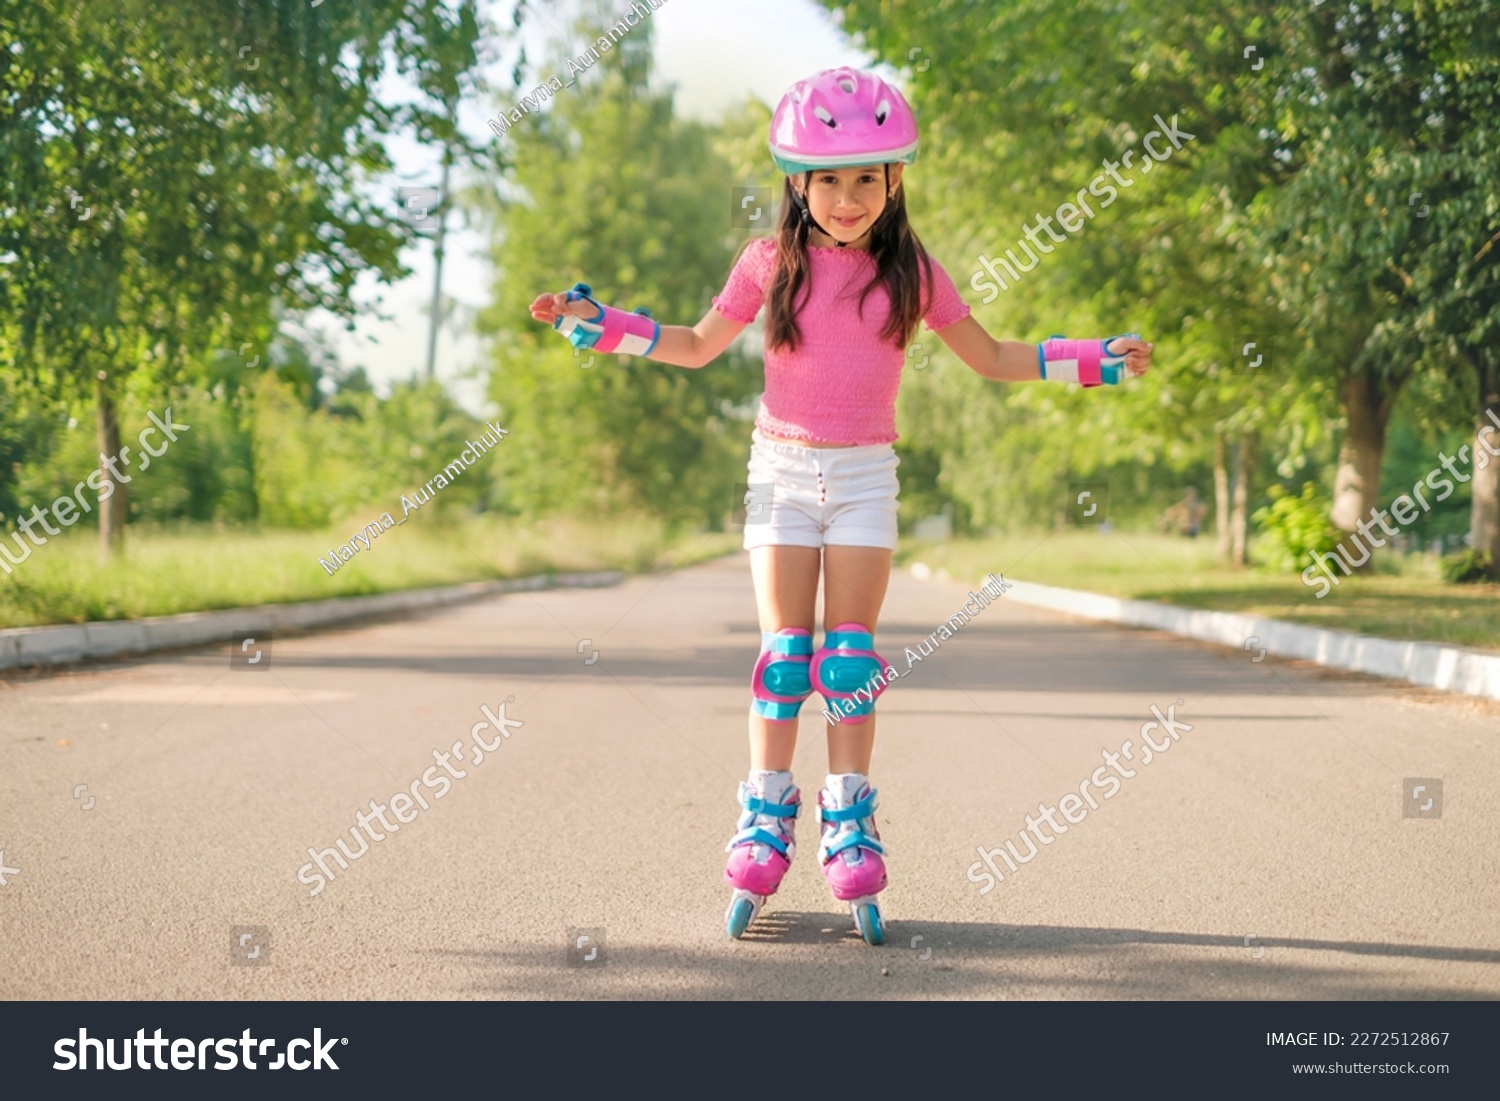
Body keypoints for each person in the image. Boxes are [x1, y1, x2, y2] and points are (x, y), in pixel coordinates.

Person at [530, 67, 1152, 945]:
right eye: (830, 178)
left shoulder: (914, 273)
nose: (849, 197)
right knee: (786, 659)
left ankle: (848, 818)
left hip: (864, 479)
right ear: (798, 181)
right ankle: (764, 813)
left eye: (868, 177)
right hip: (781, 473)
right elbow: (699, 344)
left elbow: (996, 356)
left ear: (895, 179)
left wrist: (1096, 359)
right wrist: (604, 326)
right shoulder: (768, 262)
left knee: (849, 663)